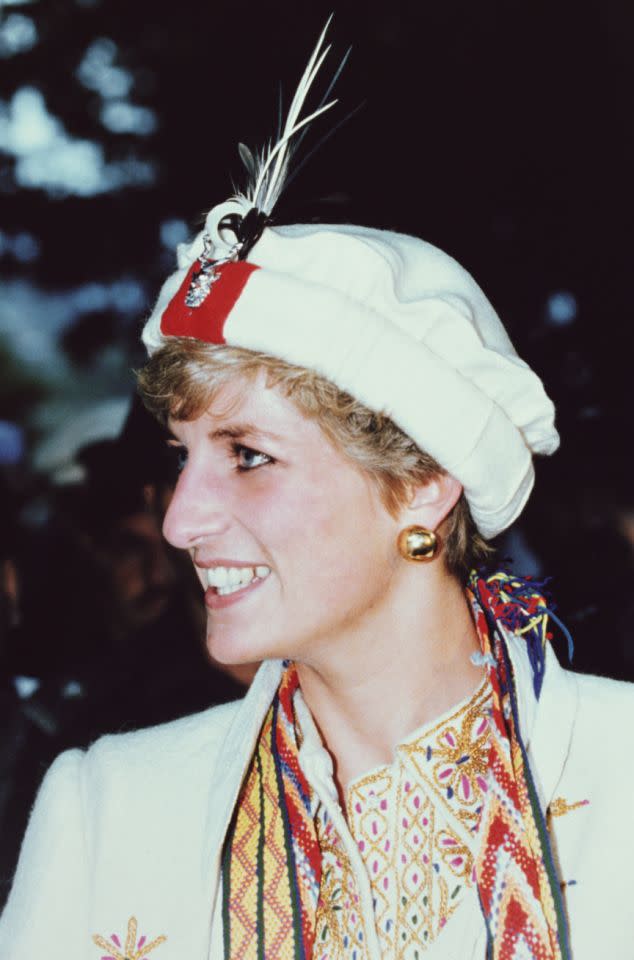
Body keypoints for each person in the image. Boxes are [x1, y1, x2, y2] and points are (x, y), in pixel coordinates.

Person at [1, 22, 632, 960]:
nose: (180, 521)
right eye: (183, 457)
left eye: (247, 455)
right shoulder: (107, 809)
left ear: (421, 482)